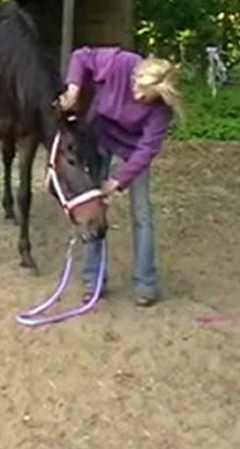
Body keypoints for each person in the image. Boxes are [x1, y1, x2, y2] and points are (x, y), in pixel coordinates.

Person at [58, 46, 183, 307]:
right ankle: (93, 281)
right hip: (100, 138)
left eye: (145, 94)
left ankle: (145, 283)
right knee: (94, 210)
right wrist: (74, 89)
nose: (136, 94)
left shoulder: (162, 111)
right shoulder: (122, 64)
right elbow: (81, 56)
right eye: (137, 85)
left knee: (142, 215)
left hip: (132, 150)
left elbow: (146, 150)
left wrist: (118, 181)